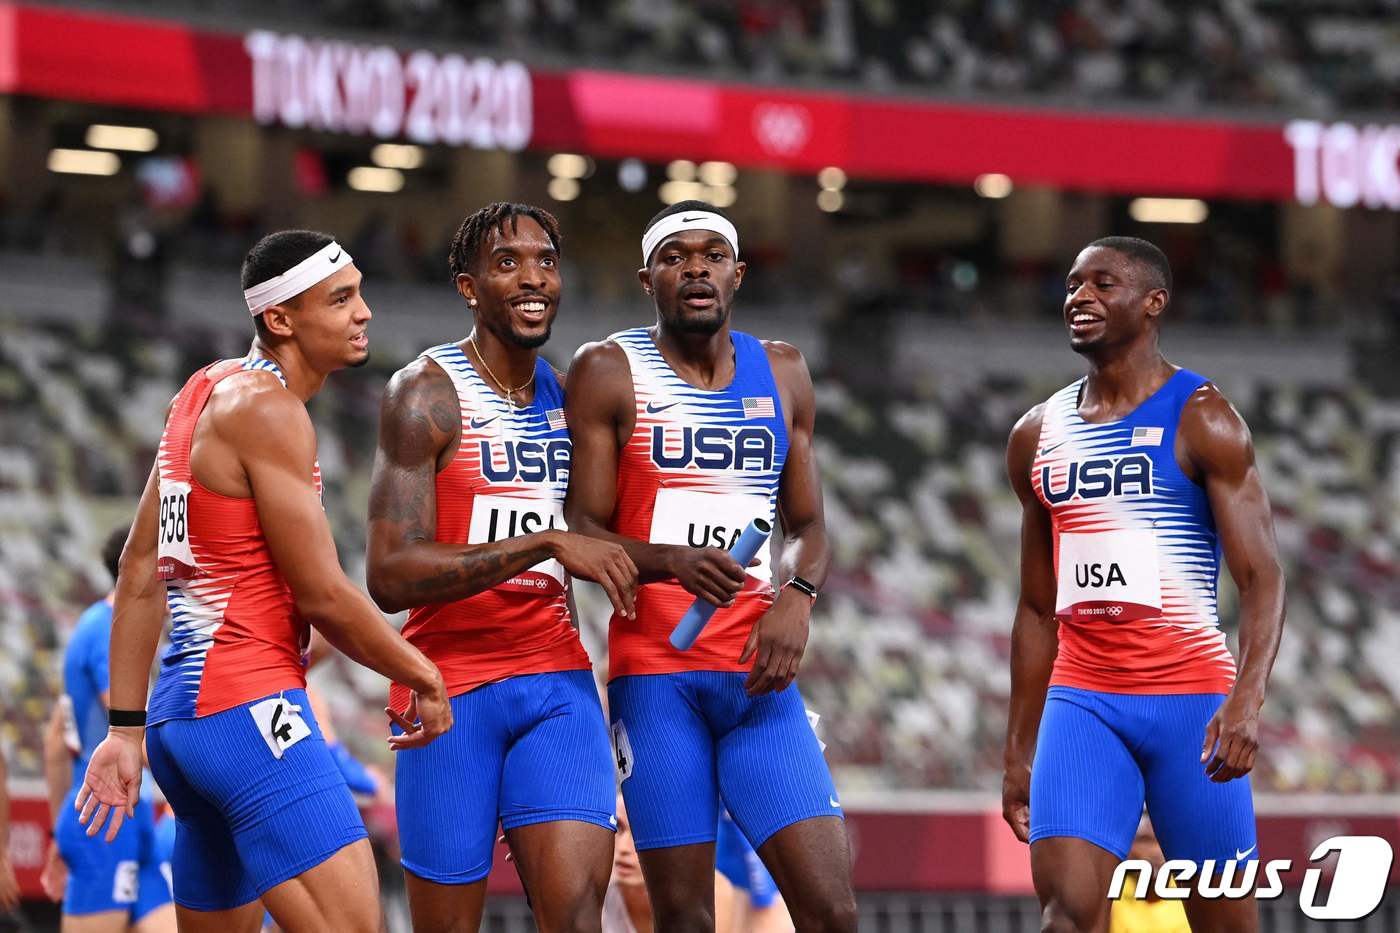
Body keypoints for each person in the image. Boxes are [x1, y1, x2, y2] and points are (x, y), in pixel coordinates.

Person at [75, 229, 453, 933]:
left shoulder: (201, 391)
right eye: (340, 299)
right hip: (249, 710)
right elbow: (324, 595)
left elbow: (139, 569)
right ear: (280, 319)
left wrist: (125, 730)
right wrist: (423, 674)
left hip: (181, 726)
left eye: (359, 293)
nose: (364, 311)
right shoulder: (269, 410)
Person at [564, 200, 856, 932]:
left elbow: (808, 526)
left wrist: (797, 596)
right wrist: (672, 561)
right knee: (685, 919)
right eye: (675, 257)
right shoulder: (607, 370)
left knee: (832, 910)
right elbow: (581, 531)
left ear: (738, 274)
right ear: (647, 279)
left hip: (758, 679)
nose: (695, 269)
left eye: (712, 256)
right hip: (657, 681)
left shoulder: (783, 370)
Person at [1002, 236, 1285, 933]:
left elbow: (1262, 577)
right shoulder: (1036, 434)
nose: (1080, 297)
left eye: (1103, 284)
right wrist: (1018, 749)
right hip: (1084, 700)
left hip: (1191, 704)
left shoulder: (1204, 417)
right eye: (1073, 284)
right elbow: (1037, 608)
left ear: (1154, 301)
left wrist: (1246, 701)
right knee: (1066, 916)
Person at [366, 202, 634, 933]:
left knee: (576, 917)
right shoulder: (424, 394)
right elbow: (389, 574)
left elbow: (596, 541)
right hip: (448, 687)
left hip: (555, 680)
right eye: (507, 263)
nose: (533, 278)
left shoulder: (569, 398)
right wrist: (542, 543)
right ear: (468, 287)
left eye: (546, 261)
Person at [43, 525, 175, 931]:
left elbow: (55, 740)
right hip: (105, 820)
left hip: (126, 817)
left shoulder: (103, 627)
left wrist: (61, 828)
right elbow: (131, 735)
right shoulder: (109, 632)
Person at [1110, 819, 1191, 933]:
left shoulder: (1190, 889)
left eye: (1164, 842)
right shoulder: (1109, 892)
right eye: (1145, 841)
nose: (1156, 851)